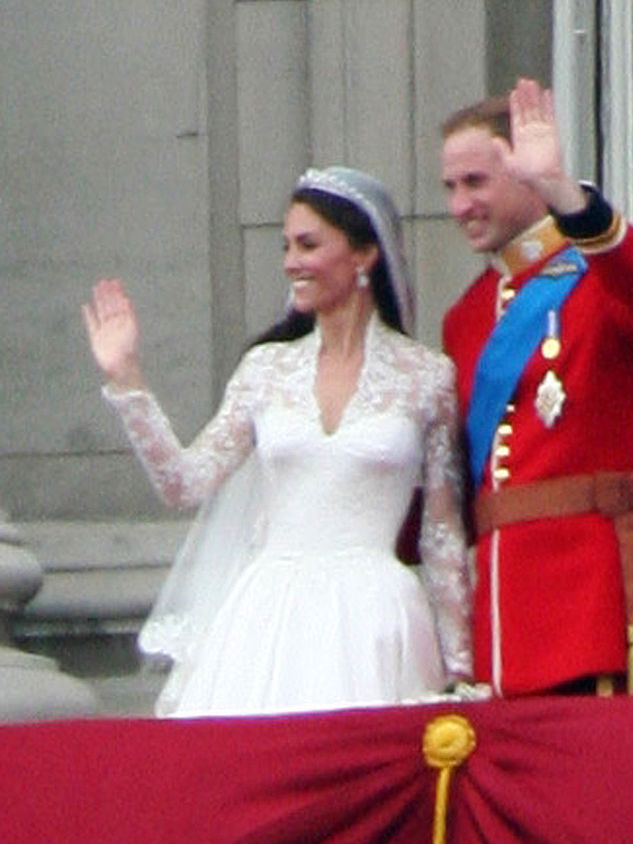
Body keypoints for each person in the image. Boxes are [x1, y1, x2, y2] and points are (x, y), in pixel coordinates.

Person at [82, 166, 473, 717]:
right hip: (270, 617)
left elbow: (440, 533)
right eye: (286, 246)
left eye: (309, 244)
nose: (291, 262)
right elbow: (184, 482)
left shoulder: (426, 377)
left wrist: (461, 669)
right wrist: (127, 378)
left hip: (377, 618)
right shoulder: (265, 369)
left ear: (364, 255)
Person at [439, 77, 633, 697]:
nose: (459, 206)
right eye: (450, 187)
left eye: (476, 182)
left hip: (590, 610)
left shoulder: (600, 280)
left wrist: (564, 193)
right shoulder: (468, 316)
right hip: (500, 618)